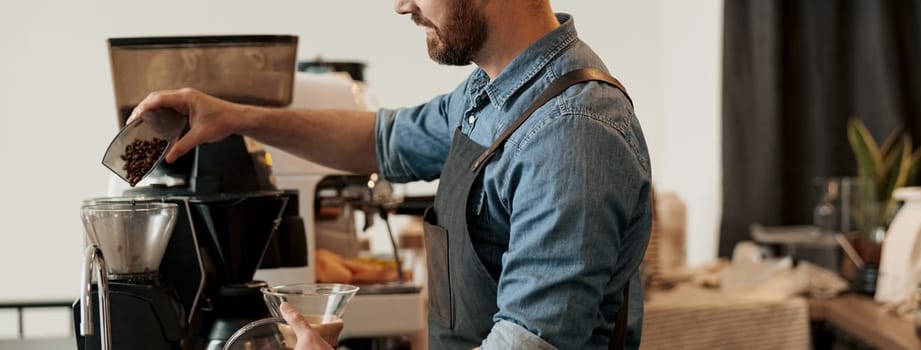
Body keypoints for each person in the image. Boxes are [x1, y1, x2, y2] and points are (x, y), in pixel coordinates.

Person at [129, 0, 652, 349]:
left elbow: (527, 342)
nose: (403, 3)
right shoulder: (491, 92)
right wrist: (236, 117)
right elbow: (382, 140)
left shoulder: (571, 132)